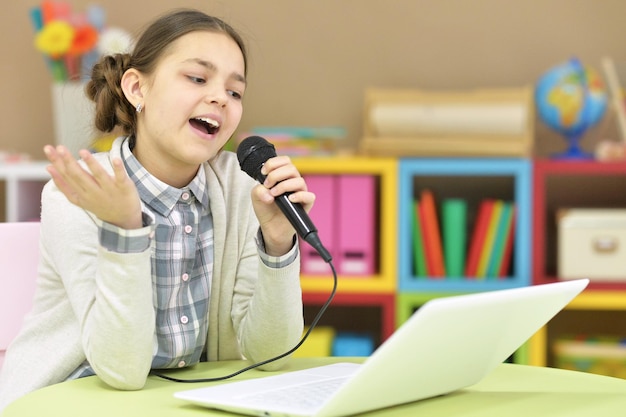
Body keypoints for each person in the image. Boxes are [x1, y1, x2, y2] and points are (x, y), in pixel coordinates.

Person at [0, 8, 312, 411]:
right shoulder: (77, 193)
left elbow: (272, 352)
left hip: (177, 401)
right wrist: (126, 231)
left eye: (235, 91)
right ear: (137, 89)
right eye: (197, 78)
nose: (220, 97)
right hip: (74, 396)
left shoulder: (242, 187)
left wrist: (277, 241)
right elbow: (122, 372)